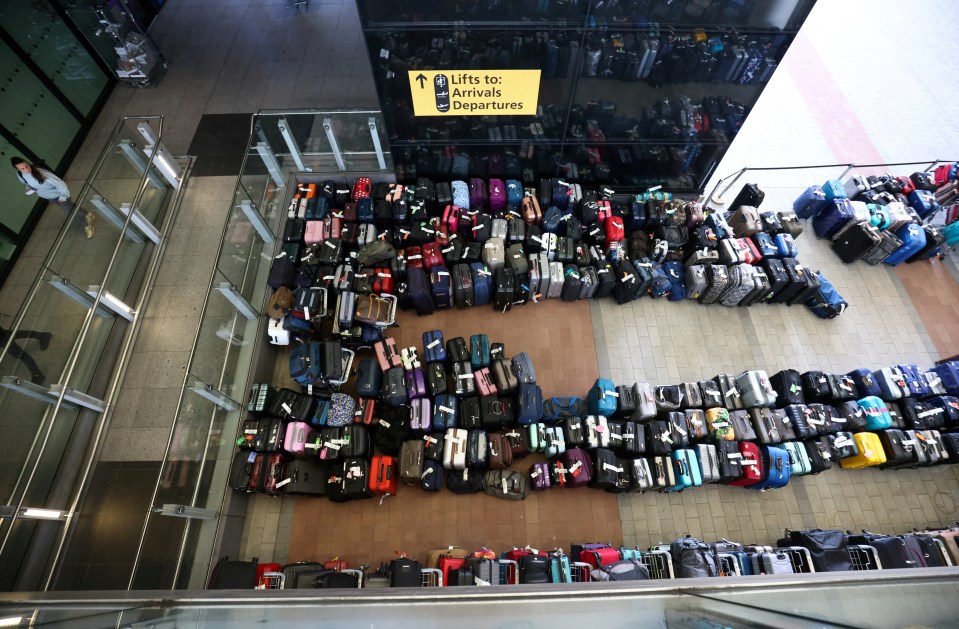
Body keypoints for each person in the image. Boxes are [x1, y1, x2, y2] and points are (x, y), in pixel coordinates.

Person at [11, 156, 95, 239]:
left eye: (27, 166)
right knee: (71, 207)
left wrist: (63, 197)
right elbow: (26, 183)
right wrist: (29, 188)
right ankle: (88, 214)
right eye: (23, 169)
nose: (27, 169)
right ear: (18, 170)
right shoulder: (20, 175)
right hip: (50, 197)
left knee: (69, 212)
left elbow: (60, 184)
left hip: (61, 195)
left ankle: (87, 226)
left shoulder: (42, 173)